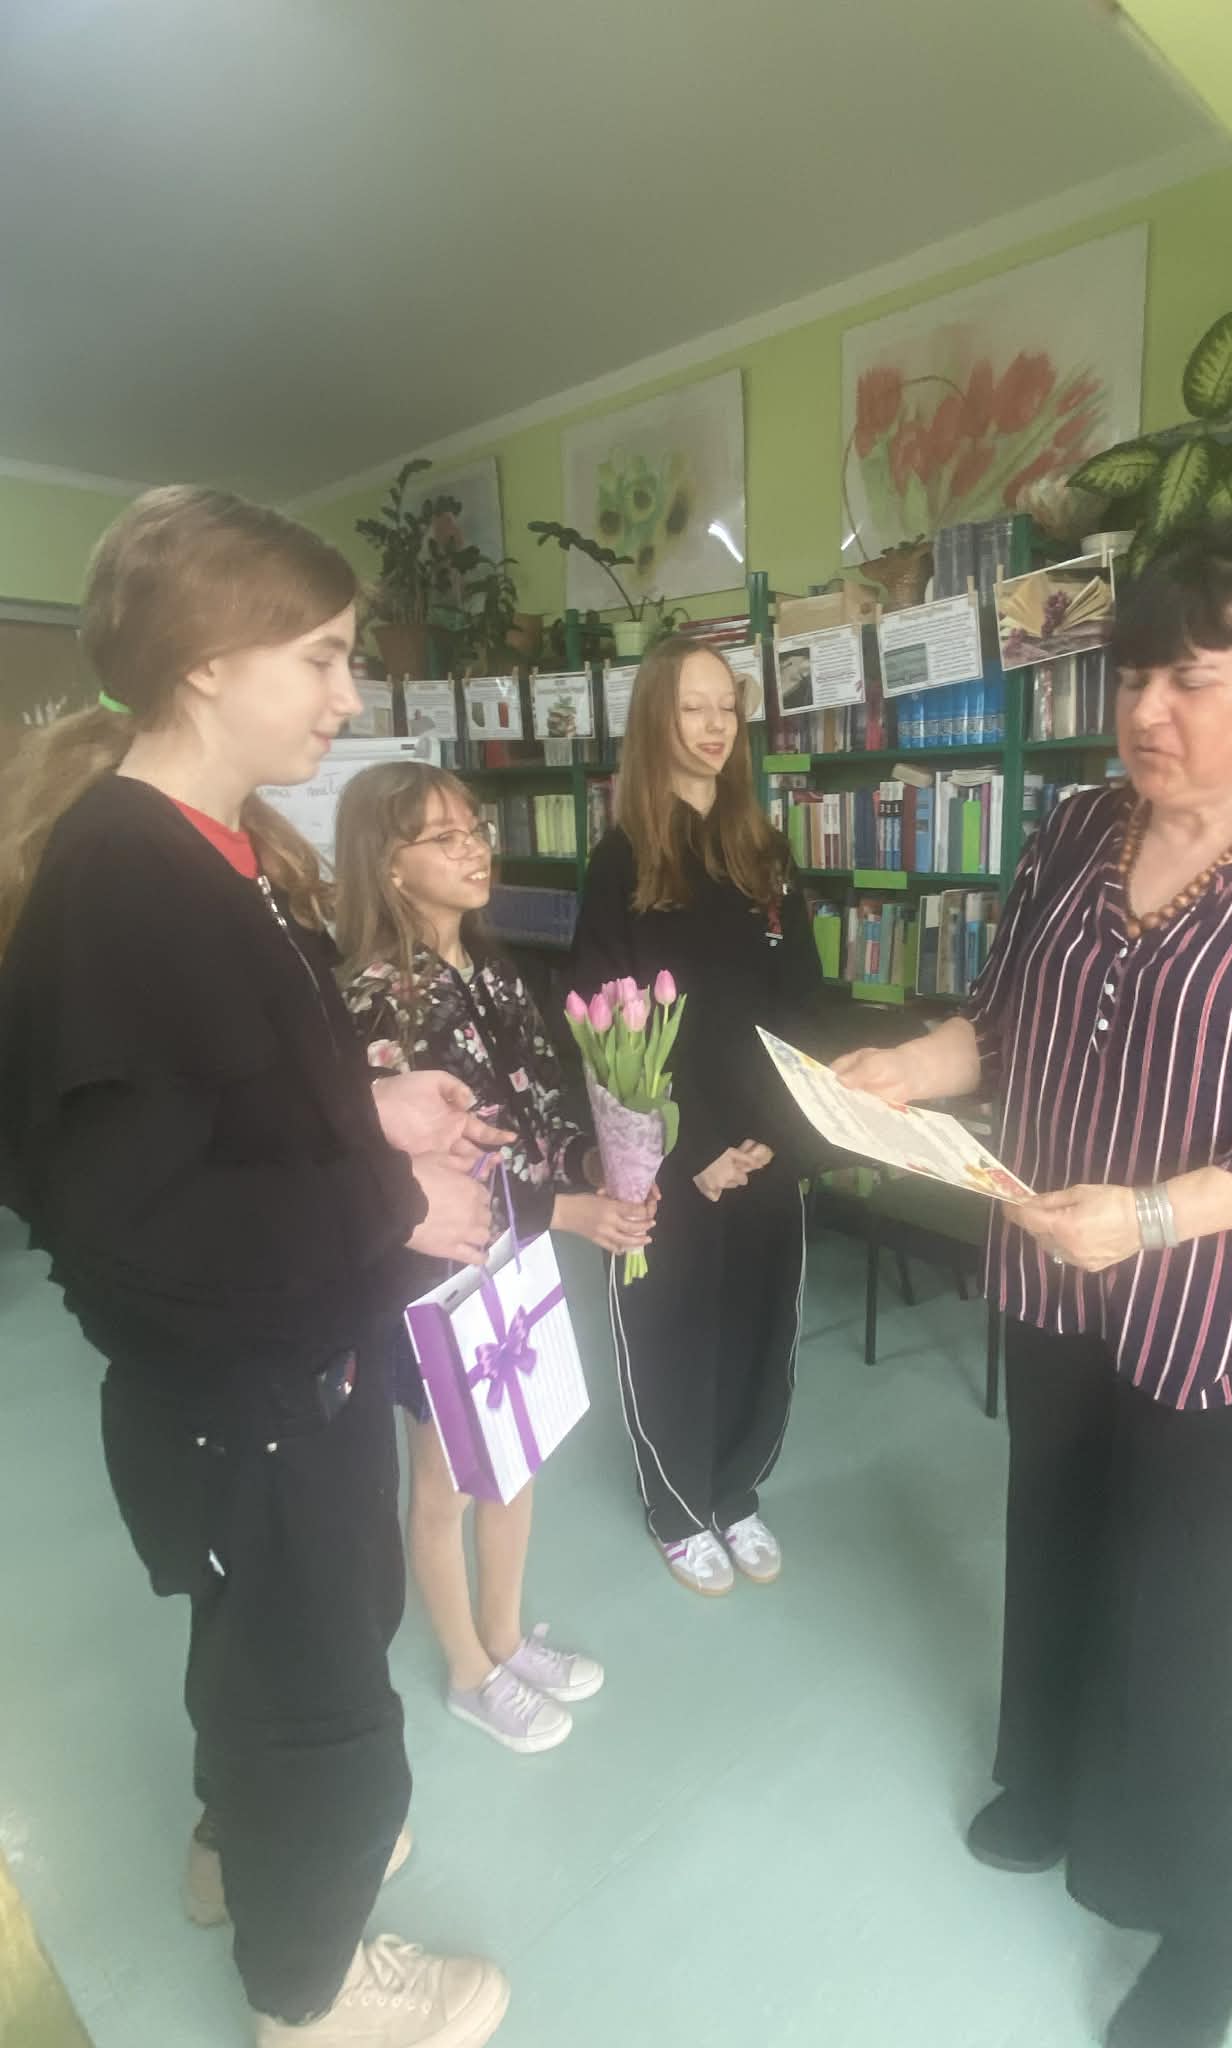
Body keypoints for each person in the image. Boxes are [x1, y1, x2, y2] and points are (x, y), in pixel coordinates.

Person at [833, 522, 1232, 2048]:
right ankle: (1049, 1781)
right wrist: (911, 1066)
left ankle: (1220, 1921)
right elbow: (1000, 1019)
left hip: (1223, 1322)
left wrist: (1159, 1217)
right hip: (1057, 1284)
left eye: (1191, 679)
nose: (1147, 712)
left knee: (1182, 1614)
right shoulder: (1076, 832)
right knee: (1054, 1541)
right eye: (1131, 676)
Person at [0, 488, 514, 2048]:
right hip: (254, 1401)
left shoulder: (202, 852)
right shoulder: (127, 881)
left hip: (263, 1393)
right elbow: (129, 1226)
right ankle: (312, 1988)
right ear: (209, 661)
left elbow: (213, 1102)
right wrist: (391, 1198)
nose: (348, 695)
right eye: (321, 658)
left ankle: (243, 1852)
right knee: (320, 1699)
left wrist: (368, 1109)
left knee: (264, 1656)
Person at [333, 760, 652, 1753]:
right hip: (436, 1272)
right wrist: (570, 1209)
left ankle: (506, 1635)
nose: (475, 850)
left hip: (515, 1249)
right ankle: (469, 1668)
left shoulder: (491, 964)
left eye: (476, 829)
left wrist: (598, 1159)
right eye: (446, 837)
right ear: (388, 864)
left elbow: (541, 1099)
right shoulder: (378, 998)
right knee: (444, 1482)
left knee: (515, 1452)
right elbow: (444, 1166)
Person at [569, 636, 828, 1597]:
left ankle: (736, 1488)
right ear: (656, 718)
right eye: (692, 707)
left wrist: (783, 1136)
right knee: (676, 1328)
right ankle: (678, 1505)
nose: (715, 726)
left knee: (761, 1322)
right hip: (675, 1155)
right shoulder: (623, 862)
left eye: (727, 707)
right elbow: (606, 1030)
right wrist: (694, 1155)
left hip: (769, 1143)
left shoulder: (765, 852)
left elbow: (803, 1003)